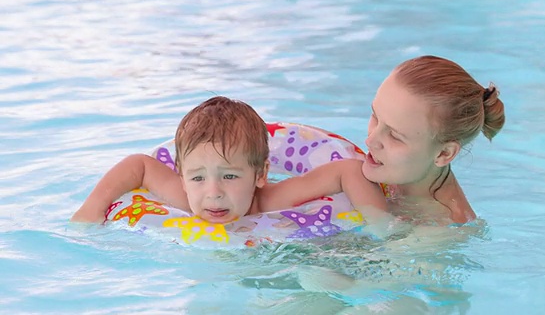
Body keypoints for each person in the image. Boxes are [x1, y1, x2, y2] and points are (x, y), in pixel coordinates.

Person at [71, 96, 387, 224]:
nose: (214, 192)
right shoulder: (183, 196)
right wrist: (92, 207)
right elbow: (137, 165)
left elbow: (348, 171)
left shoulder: (271, 200)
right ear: (181, 174)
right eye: (197, 177)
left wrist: (385, 228)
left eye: (230, 176)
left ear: (260, 174)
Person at [362, 55, 505, 224]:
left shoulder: (439, 231)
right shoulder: (394, 169)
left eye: (395, 136)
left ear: (444, 153)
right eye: (375, 117)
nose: (370, 141)